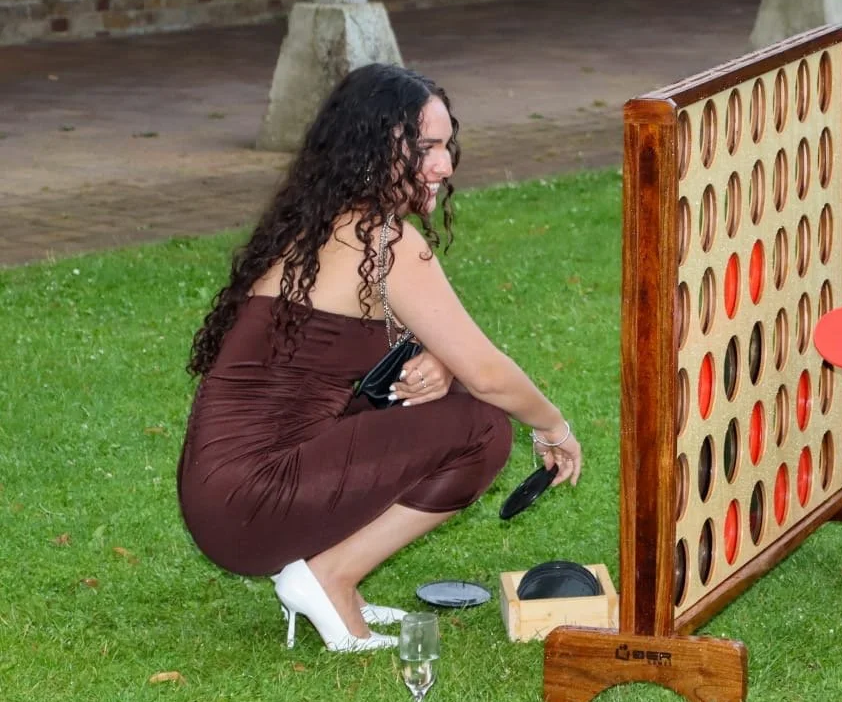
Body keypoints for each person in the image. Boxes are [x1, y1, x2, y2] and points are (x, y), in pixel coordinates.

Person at [178, 63, 583, 653]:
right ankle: (329, 579)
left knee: (456, 396)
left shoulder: (320, 225)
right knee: (483, 427)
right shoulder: (382, 240)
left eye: (448, 146)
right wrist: (552, 426)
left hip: (225, 495)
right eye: (426, 149)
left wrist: (435, 360)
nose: (444, 166)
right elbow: (489, 373)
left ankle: (327, 572)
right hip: (254, 496)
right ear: (373, 147)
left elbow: (350, 352)